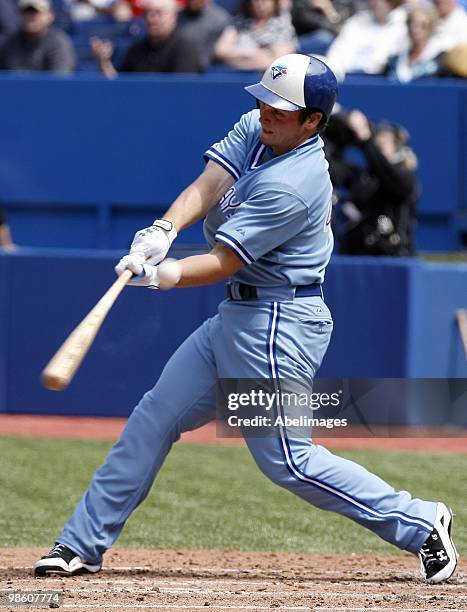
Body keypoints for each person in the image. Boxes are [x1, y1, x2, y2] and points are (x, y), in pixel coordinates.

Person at [33, 53, 458, 586]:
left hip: (279, 323)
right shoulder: (258, 128)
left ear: (313, 122)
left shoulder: (296, 183)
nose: (266, 113)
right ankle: (80, 543)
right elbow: (210, 184)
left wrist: (162, 275)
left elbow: (224, 261)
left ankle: (420, 522)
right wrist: (163, 230)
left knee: (288, 461)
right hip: (238, 314)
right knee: (154, 416)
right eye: (264, 102)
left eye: (282, 109)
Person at [90, 0, 202, 77]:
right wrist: (104, 61)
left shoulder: (185, 48)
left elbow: (182, 91)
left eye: (159, 13)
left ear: (174, 16)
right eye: (147, 13)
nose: (151, 18)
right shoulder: (136, 49)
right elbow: (120, 85)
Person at [325, 0, 407, 78]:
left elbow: (395, 57)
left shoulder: (403, 24)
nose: (373, 3)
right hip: (346, 76)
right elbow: (337, 50)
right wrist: (337, 71)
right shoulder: (357, 20)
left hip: (379, 79)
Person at [214, 0, 297, 71]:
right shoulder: (238, 22)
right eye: (255, 1)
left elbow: (278, 61)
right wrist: (253, 55)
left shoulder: (283, 23)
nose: (259, 4)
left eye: (264, 1)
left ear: (274, 2)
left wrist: (236, 57)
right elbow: (221, 51)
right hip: (236, 76)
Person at [0, 0, 75, 73]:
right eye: (26, 12)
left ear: (50, 15)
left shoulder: (59, 43)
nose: (30, 17)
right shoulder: (10, 43)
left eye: (36, 12)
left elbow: (59, 81)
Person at [385, 5, 441, 82]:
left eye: (422, 26)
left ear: (431, 28)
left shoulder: (439, 58)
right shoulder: (396, 59)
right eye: (412, 24)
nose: (415, 30)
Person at [177, 0, 231, 68]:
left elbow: (208, 56)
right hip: (176, 66)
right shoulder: (177, 15)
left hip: (204, 71)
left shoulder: (220, 19)